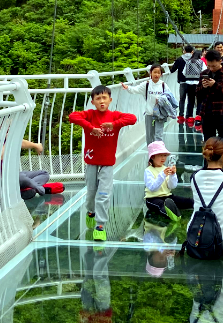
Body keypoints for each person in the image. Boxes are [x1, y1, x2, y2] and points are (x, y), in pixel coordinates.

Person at [68, 85, 137, 241]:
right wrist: (90, 127)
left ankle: (100, 226)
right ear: (92, 102)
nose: (101, 101)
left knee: (104, 194)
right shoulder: (90, 114)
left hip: (107, 162)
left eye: (104, 98)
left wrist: (115, 125)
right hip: (92, 161)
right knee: (91, 192)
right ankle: (90, 211)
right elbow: (73, 116)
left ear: (110, 100)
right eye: (98, 98)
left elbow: (132, 119)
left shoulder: (114, 116)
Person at [120, 63, 175, 144]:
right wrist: (127, 87)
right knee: (150, 135)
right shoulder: (147, 84)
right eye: (154, 72)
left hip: (161, 114)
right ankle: (151, 153)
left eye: (158, 73)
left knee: (158, 135)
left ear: (161, 74)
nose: (156, 74)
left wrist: (161, 100)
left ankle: (158, 153)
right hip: (149, 113)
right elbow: (136, 89)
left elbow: (170, 97)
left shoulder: (163, 85)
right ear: (150, 73)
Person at [144, 140, 193, 220]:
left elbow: (172, 186)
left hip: (167, 196)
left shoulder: (165, 168)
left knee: (185, 201)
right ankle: (173, 215)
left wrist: (173, 175)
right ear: (152, 157)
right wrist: (162, 175)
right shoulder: (148, 171)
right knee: (161, 206)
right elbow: (152, 188)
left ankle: (200, 205)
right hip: (153, 198)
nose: (163, 158)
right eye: (160, 155)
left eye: (165, 155)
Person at [196, 49, 223, 144]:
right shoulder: (204, 73)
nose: (211, 68)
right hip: (207, 113)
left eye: (213, 66)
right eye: (209, 65)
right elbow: (198, 94)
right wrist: (203, 87)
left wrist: (215, 85)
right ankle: (208, 159)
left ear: (220, 61)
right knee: (208, 143)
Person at [168, 44, 198, 124]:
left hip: (182, 81)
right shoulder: (195, 59)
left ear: (184, 51)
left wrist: (167, 70)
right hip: (192, 82)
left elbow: (173, 70)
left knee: (182, 99)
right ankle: (189, 116)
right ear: (192, 51)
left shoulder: (180, 59)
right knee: (190, 99)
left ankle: (181, 115)